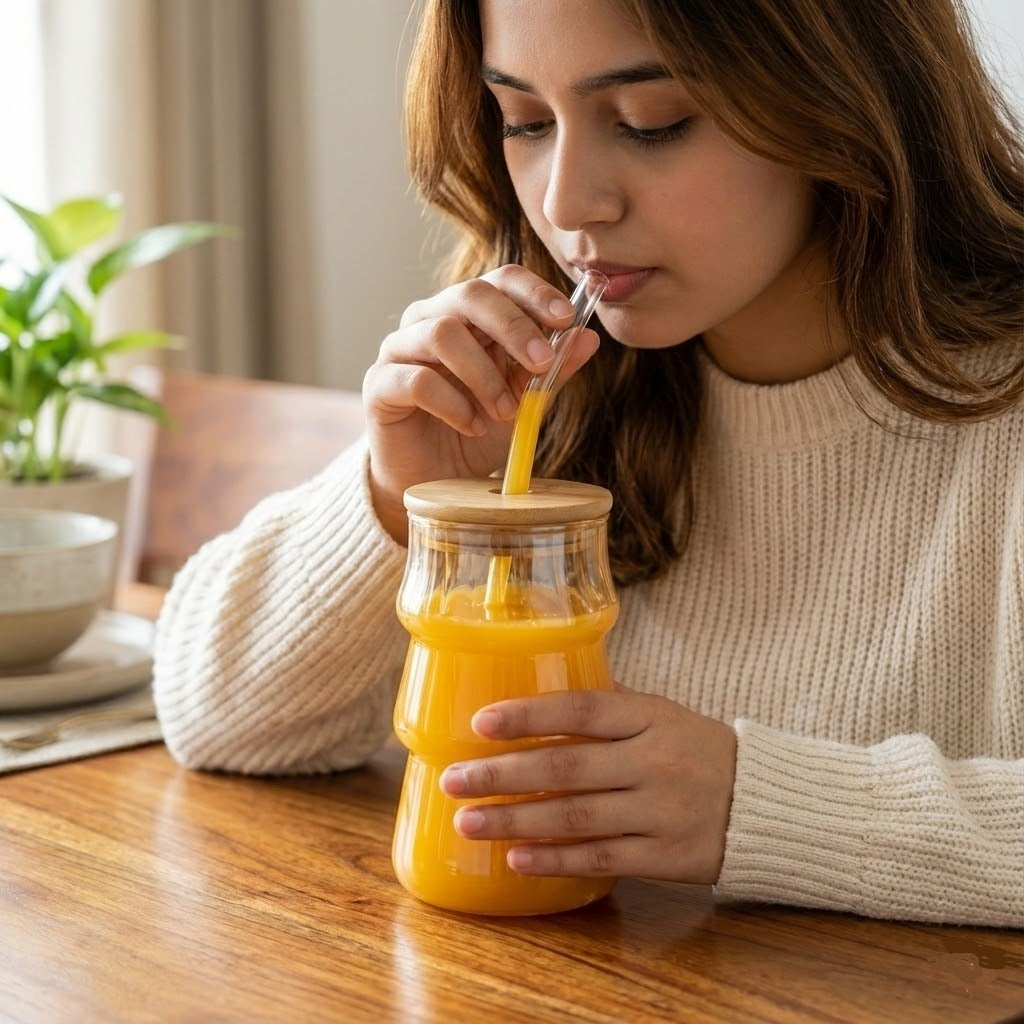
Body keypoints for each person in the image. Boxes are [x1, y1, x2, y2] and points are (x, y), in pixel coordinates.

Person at [152, 0, 1024, 927]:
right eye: (525, 122)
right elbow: (217, 716)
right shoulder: (550, 388)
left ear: (843, 95)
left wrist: (763, 806)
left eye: (652, 123)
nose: (568, 205)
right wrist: (399, 498)